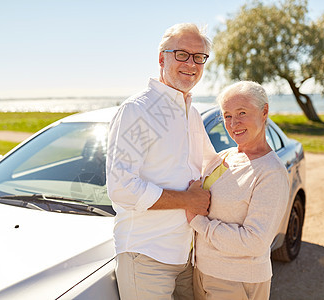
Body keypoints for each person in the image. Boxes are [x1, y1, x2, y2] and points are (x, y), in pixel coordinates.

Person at [106, 23, 217, 299]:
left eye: (198, 56)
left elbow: (212, 165)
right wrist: (188, 200)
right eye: (181, 54)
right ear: (161, 59)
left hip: (187, 255)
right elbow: (121, 188)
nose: (191, 63)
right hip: (147, 256)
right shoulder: (137, 110)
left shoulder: (190, 112)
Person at [187, 81, 289, 300]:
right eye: (227, 115)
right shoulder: (224, 157)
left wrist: (198, 222)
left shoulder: (271, 173)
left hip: (237, 282)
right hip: (203, 272)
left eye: (242, 112)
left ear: (264, 112)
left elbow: (255, 242)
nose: (234, 123)